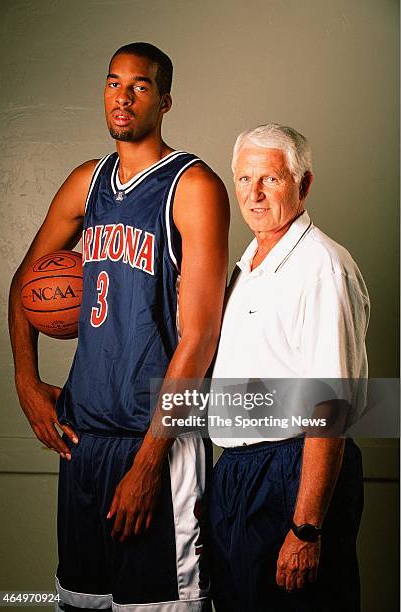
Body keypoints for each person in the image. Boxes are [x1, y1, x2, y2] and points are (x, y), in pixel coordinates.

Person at [8, 42, 229, 611]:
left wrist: (151, 461)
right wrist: (27, 385)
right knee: (82, 603)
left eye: (140, 86)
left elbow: (201, 337)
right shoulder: (87, 182)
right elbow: (23, 284)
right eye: (113, 83)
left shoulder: (193, 187)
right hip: (85, 440)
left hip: (155, 441)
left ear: (165, 100)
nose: (122, 97)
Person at [208, 124, 369, 611]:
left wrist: (305, 529)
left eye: (271, 180)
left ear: (304, 184)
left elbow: (331, 409)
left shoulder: (322, 267)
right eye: (243, 179)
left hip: (292, 470)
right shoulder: (247, 265)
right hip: (237, 473)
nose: (254, 194)